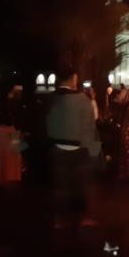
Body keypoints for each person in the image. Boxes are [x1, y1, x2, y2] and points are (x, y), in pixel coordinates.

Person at [45, 67, 101, 227]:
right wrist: (95, 154)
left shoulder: (50, 99)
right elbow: (91, 128)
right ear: (73, 78)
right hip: (79, 149)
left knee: (60, 185)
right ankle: (85, 217)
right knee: (82, 185)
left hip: (56, 147)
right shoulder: (83, 99)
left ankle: (59, 219)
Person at [0, 84, 25, 185]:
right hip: (12, 131)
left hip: (7, 131)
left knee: (9, 158)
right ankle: (11, 178)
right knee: (13, 157)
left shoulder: (5, 102)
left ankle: (7, 178)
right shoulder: (13, 103)